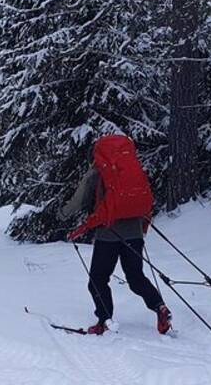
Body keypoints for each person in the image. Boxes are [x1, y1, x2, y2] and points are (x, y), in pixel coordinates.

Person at [62, 135, 172, 336]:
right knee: (136, 277)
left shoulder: (98, 172)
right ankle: (160, 307)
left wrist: (62, 215)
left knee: (98, 278)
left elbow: (80, 199)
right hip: (135, 232)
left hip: (108, 233)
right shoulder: (133, 169)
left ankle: (105, 320)